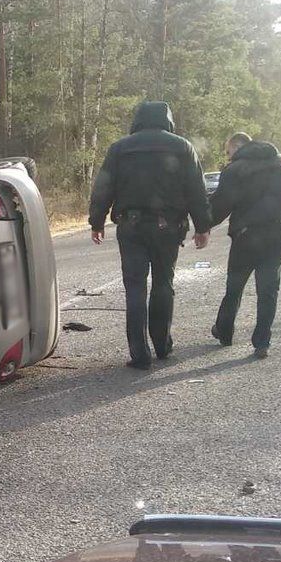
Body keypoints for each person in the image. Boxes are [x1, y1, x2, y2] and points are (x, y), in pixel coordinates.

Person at [88, 101, 212, 369]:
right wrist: (203, 226)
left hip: (131, 226)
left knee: (135, 287)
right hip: (168, 226)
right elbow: (196, 190)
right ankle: (162, 344)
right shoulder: (182, 146)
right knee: (163, 284)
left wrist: (96, 221)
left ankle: (139, 353)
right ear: (168, 120)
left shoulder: (120, 148)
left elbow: (103, 188)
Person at [210, 132, 281, 359]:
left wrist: (203, 224)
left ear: (238, 147)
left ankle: (224, 332)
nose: (228, 157)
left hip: (246, 236)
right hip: (277, 234)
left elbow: (221, 204)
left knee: (234, 287)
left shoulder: (236, 169)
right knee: (268, 290)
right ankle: (262, 342)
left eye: (228, 152)